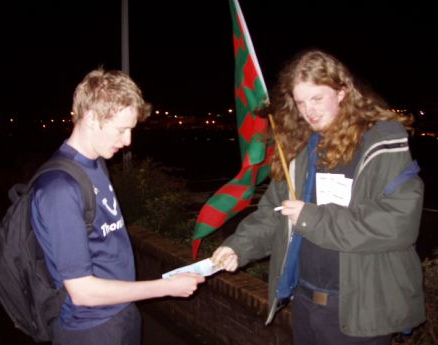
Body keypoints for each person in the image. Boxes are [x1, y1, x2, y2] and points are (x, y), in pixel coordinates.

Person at [211, 50, 425, 345]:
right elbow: (274, 213)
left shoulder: (382, 144)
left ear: (342, 92)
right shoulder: (300, 148)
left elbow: (398, 224)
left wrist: (312, 218)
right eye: (300, 102)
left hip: (358, 310)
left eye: (317, 98)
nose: (308, 110)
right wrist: (239, 246)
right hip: (305, 301)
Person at [31, 68, 205, 345]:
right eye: (121, 129)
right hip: (90, 329)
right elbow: (82, 291)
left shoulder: (96, 164)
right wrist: (165, 287)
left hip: (122, 314)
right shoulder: (59, 188)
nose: (127, 141)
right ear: (91, 118)